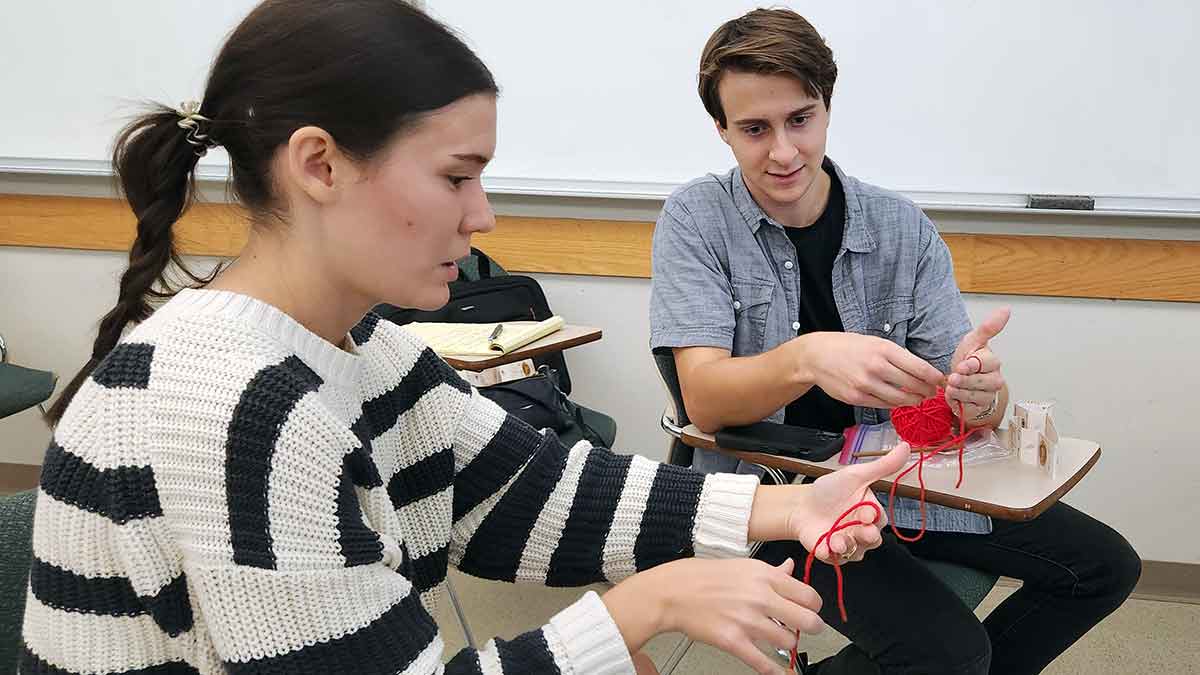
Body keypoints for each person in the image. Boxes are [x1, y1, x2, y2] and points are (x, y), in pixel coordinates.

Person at [19, 2, 915, 674]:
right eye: (456, 176)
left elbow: (539, 489)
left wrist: (788, 508)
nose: (481, 215)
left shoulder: (370, 356)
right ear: (320, 164)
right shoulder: (235, 411)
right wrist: (641, 610)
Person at [649, 8, 1141, 674]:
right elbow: (703, 400)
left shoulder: (901, 227)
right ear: (721, 131)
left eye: (800, 119)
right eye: (754, 129)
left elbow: (967, 403)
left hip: (902, 484)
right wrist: (808, 358)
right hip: (779, 500)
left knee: (1105, 567)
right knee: (952, 653)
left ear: (826, 107)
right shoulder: (695, 219)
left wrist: (980, 394)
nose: (784, 151)